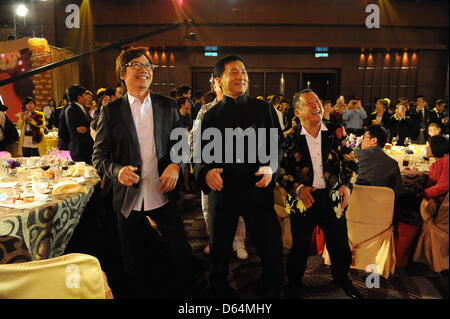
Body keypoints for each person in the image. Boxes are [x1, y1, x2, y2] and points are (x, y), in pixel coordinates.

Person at [92, 46, 205, 299]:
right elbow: (99, 157)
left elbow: (181, 144)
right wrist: (117, 171)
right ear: (122, 73)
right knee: (133, 263)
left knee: (180, 254)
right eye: (136, 65)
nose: (143, 70)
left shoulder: (168, 106)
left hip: (162, 193)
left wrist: (176, 165)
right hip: (127, 199)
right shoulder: (111, 112)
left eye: (147, 66)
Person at [194, 55, 283, 298]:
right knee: (220, 249)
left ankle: (273, 287)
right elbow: (200, 154)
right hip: (223, 190)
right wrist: (206, 172)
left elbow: (277, 147)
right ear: (219, 80)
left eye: (243, 71)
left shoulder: (264, 109)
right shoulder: (211, 115)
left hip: (257, 186)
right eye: (233, 72)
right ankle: (218, 289)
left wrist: (270, 167)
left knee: (269, 245)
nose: (241, 76)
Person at [279, 89, 362, 299]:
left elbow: (350, 160)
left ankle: (342, 279)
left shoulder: (336, 130)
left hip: (332, 199)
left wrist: (347, 186)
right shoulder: (288, 137)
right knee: (299, 248)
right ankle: (295, 283)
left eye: (317, 101)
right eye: (309, 103)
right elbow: (279, 170)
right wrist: (297, 189)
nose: (316, 105)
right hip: (303, 200)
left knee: (340, 246)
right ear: (297, 112)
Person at [191, 79, 248, 259]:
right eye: (219, 86)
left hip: (236, 169)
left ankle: (239, 242)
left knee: (238, 209)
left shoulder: (244, 109)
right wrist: (203, 168)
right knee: (209, 208)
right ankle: (213, 239)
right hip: (211, 168)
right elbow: (194, 139)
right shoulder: (206, 110)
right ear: (215, 87)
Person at [355, 125, 403, 196]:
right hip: (380, 205)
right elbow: (397, 192)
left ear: (374, 140)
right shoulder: (392, 164)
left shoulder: (353, 155)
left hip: (351, 204)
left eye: (364, 137)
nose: (362, 141)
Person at [65, 85, 94, 164]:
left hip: (85, 148)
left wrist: (88, 128)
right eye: (84, 94)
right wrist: (89, 128)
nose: (86, 97)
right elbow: (80, 130)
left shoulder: (81, 107)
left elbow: (89, 125)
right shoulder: (72, 109)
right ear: (79, 97)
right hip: (80, 149)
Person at [421, 135, 449, 203]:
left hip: (441, 202)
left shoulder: (447, 161)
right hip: (433, 196)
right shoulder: (437, 162)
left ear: (437, 148)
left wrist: (423, 193)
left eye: (429, 146)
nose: (426, 148)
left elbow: (444, 186)